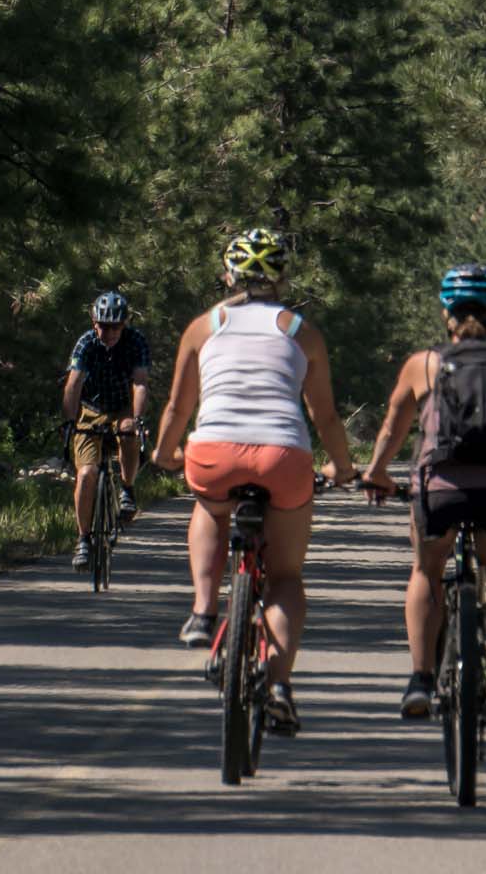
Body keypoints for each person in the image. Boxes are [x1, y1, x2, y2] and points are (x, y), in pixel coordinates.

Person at [151, 227, 358, 735]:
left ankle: (202, 611)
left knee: (209, 509)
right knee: (285, 577)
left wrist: (163, 453)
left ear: (229, 275)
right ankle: (281, 686)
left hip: (213, 453)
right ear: (282, 277)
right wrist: (345, 468)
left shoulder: (204, 326)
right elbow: (325, 415)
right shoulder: (302, 331)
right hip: (283, 455)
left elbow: (180, 405)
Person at [361, 261, 486, 717]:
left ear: (445, 314)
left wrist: (376, 472)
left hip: (439, 491)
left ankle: (419, 679)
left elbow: (391, 431)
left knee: (426, 574)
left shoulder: (424, 365)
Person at [63, 290, 151, 570]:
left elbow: (140, 383)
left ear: (124, 325)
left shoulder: (135, 342)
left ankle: (127, 489)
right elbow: (73, 385)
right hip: (91, 408)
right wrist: (70, 422)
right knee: (87, 473)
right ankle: (83, 539)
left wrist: (137, 419)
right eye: (103, 326)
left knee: (127, 430)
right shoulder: (86, 344)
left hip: (123, 404)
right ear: (94, 323)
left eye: (115, 326)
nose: (109, 332)